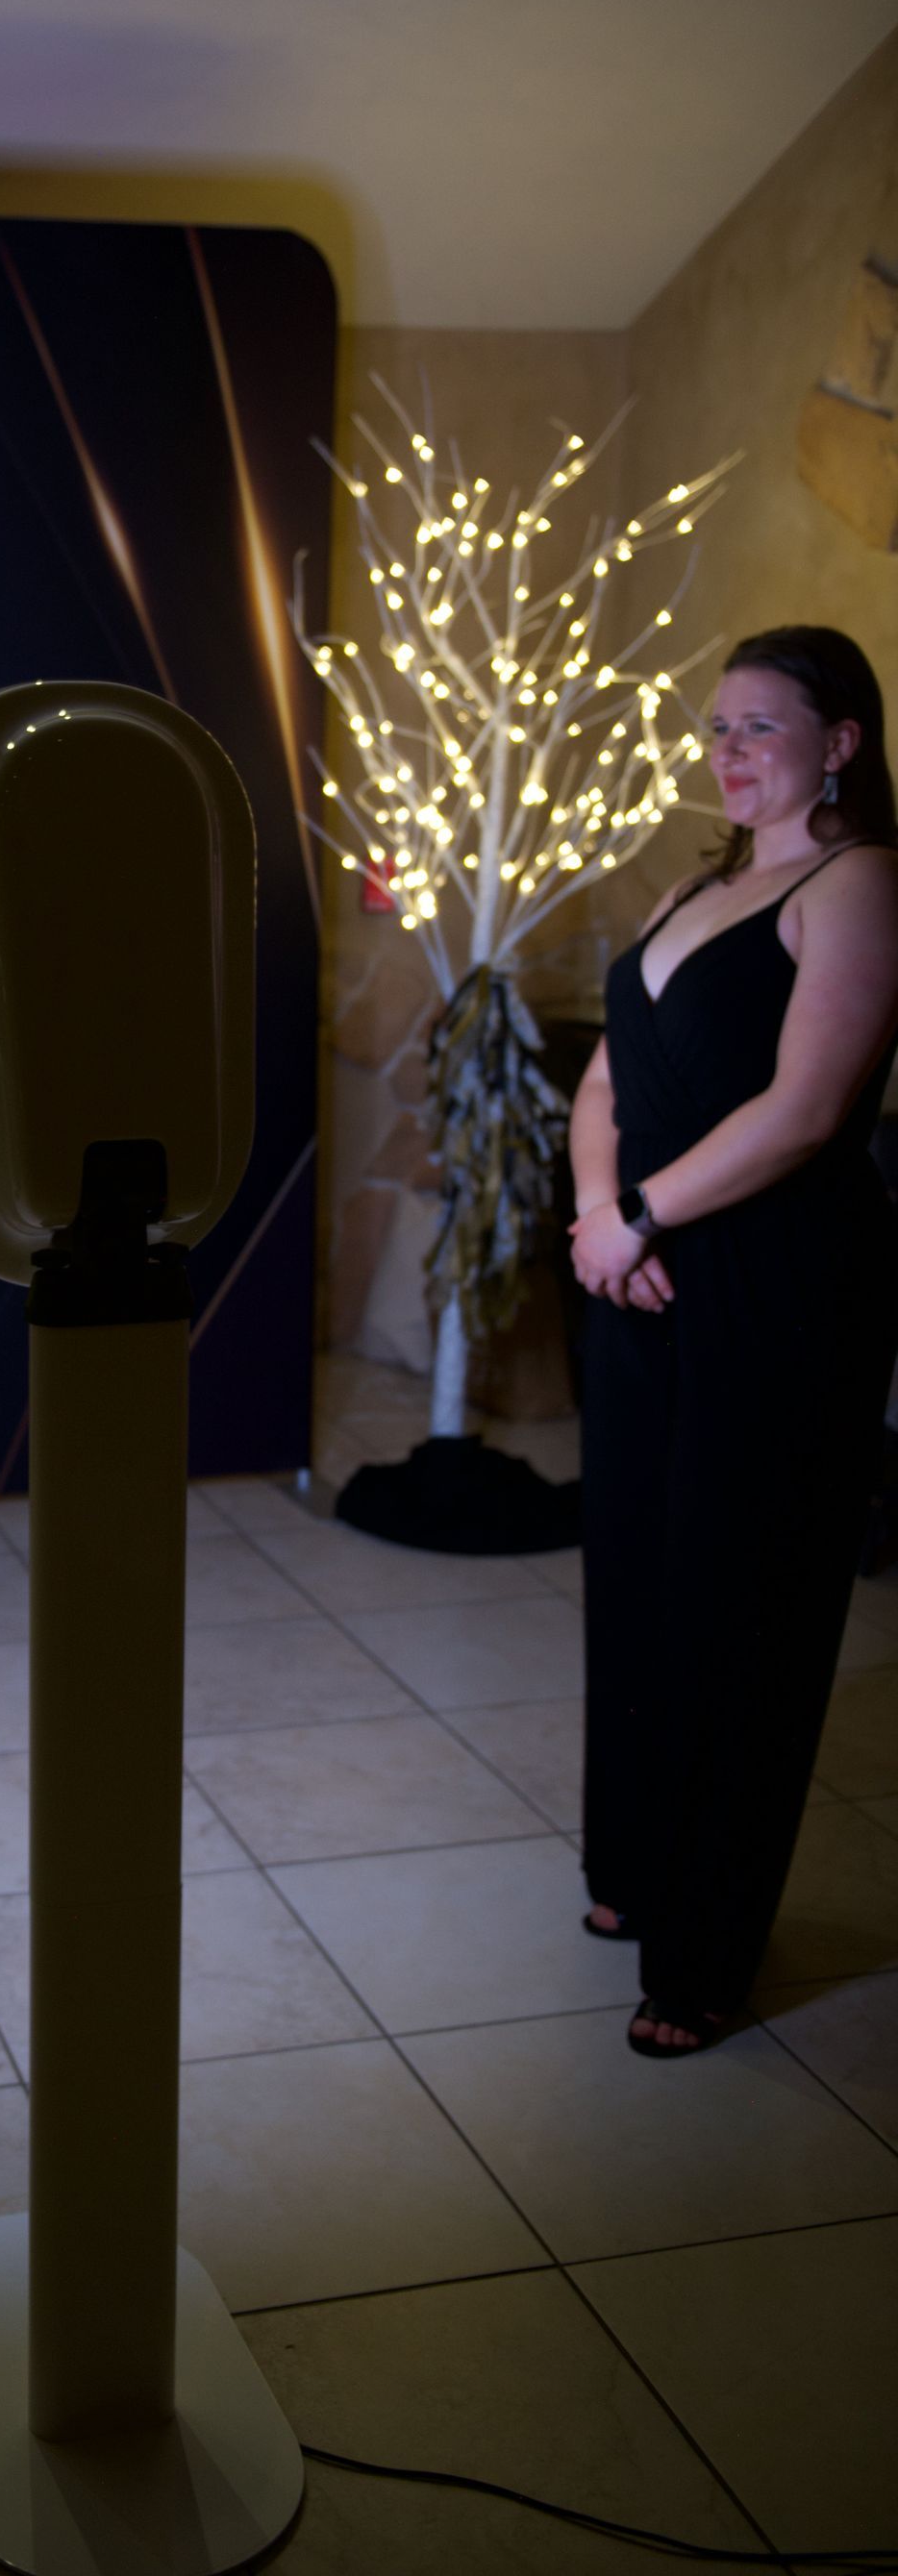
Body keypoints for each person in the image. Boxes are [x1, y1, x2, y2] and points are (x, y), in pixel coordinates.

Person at [568, 625, 898, 2056]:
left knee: (739, 1606)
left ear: (843, 743)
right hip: (642, 1277)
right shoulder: (698, 882)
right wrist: (598, 1214)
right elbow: (604, 1075)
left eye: (760, 727)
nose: (729, 753)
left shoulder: (862, 884)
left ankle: (702, 1956)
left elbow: (810, 1110)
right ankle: (636, 1872)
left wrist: (639, 1215)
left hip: (776, 1285)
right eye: (716, 730)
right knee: (637, 1578)